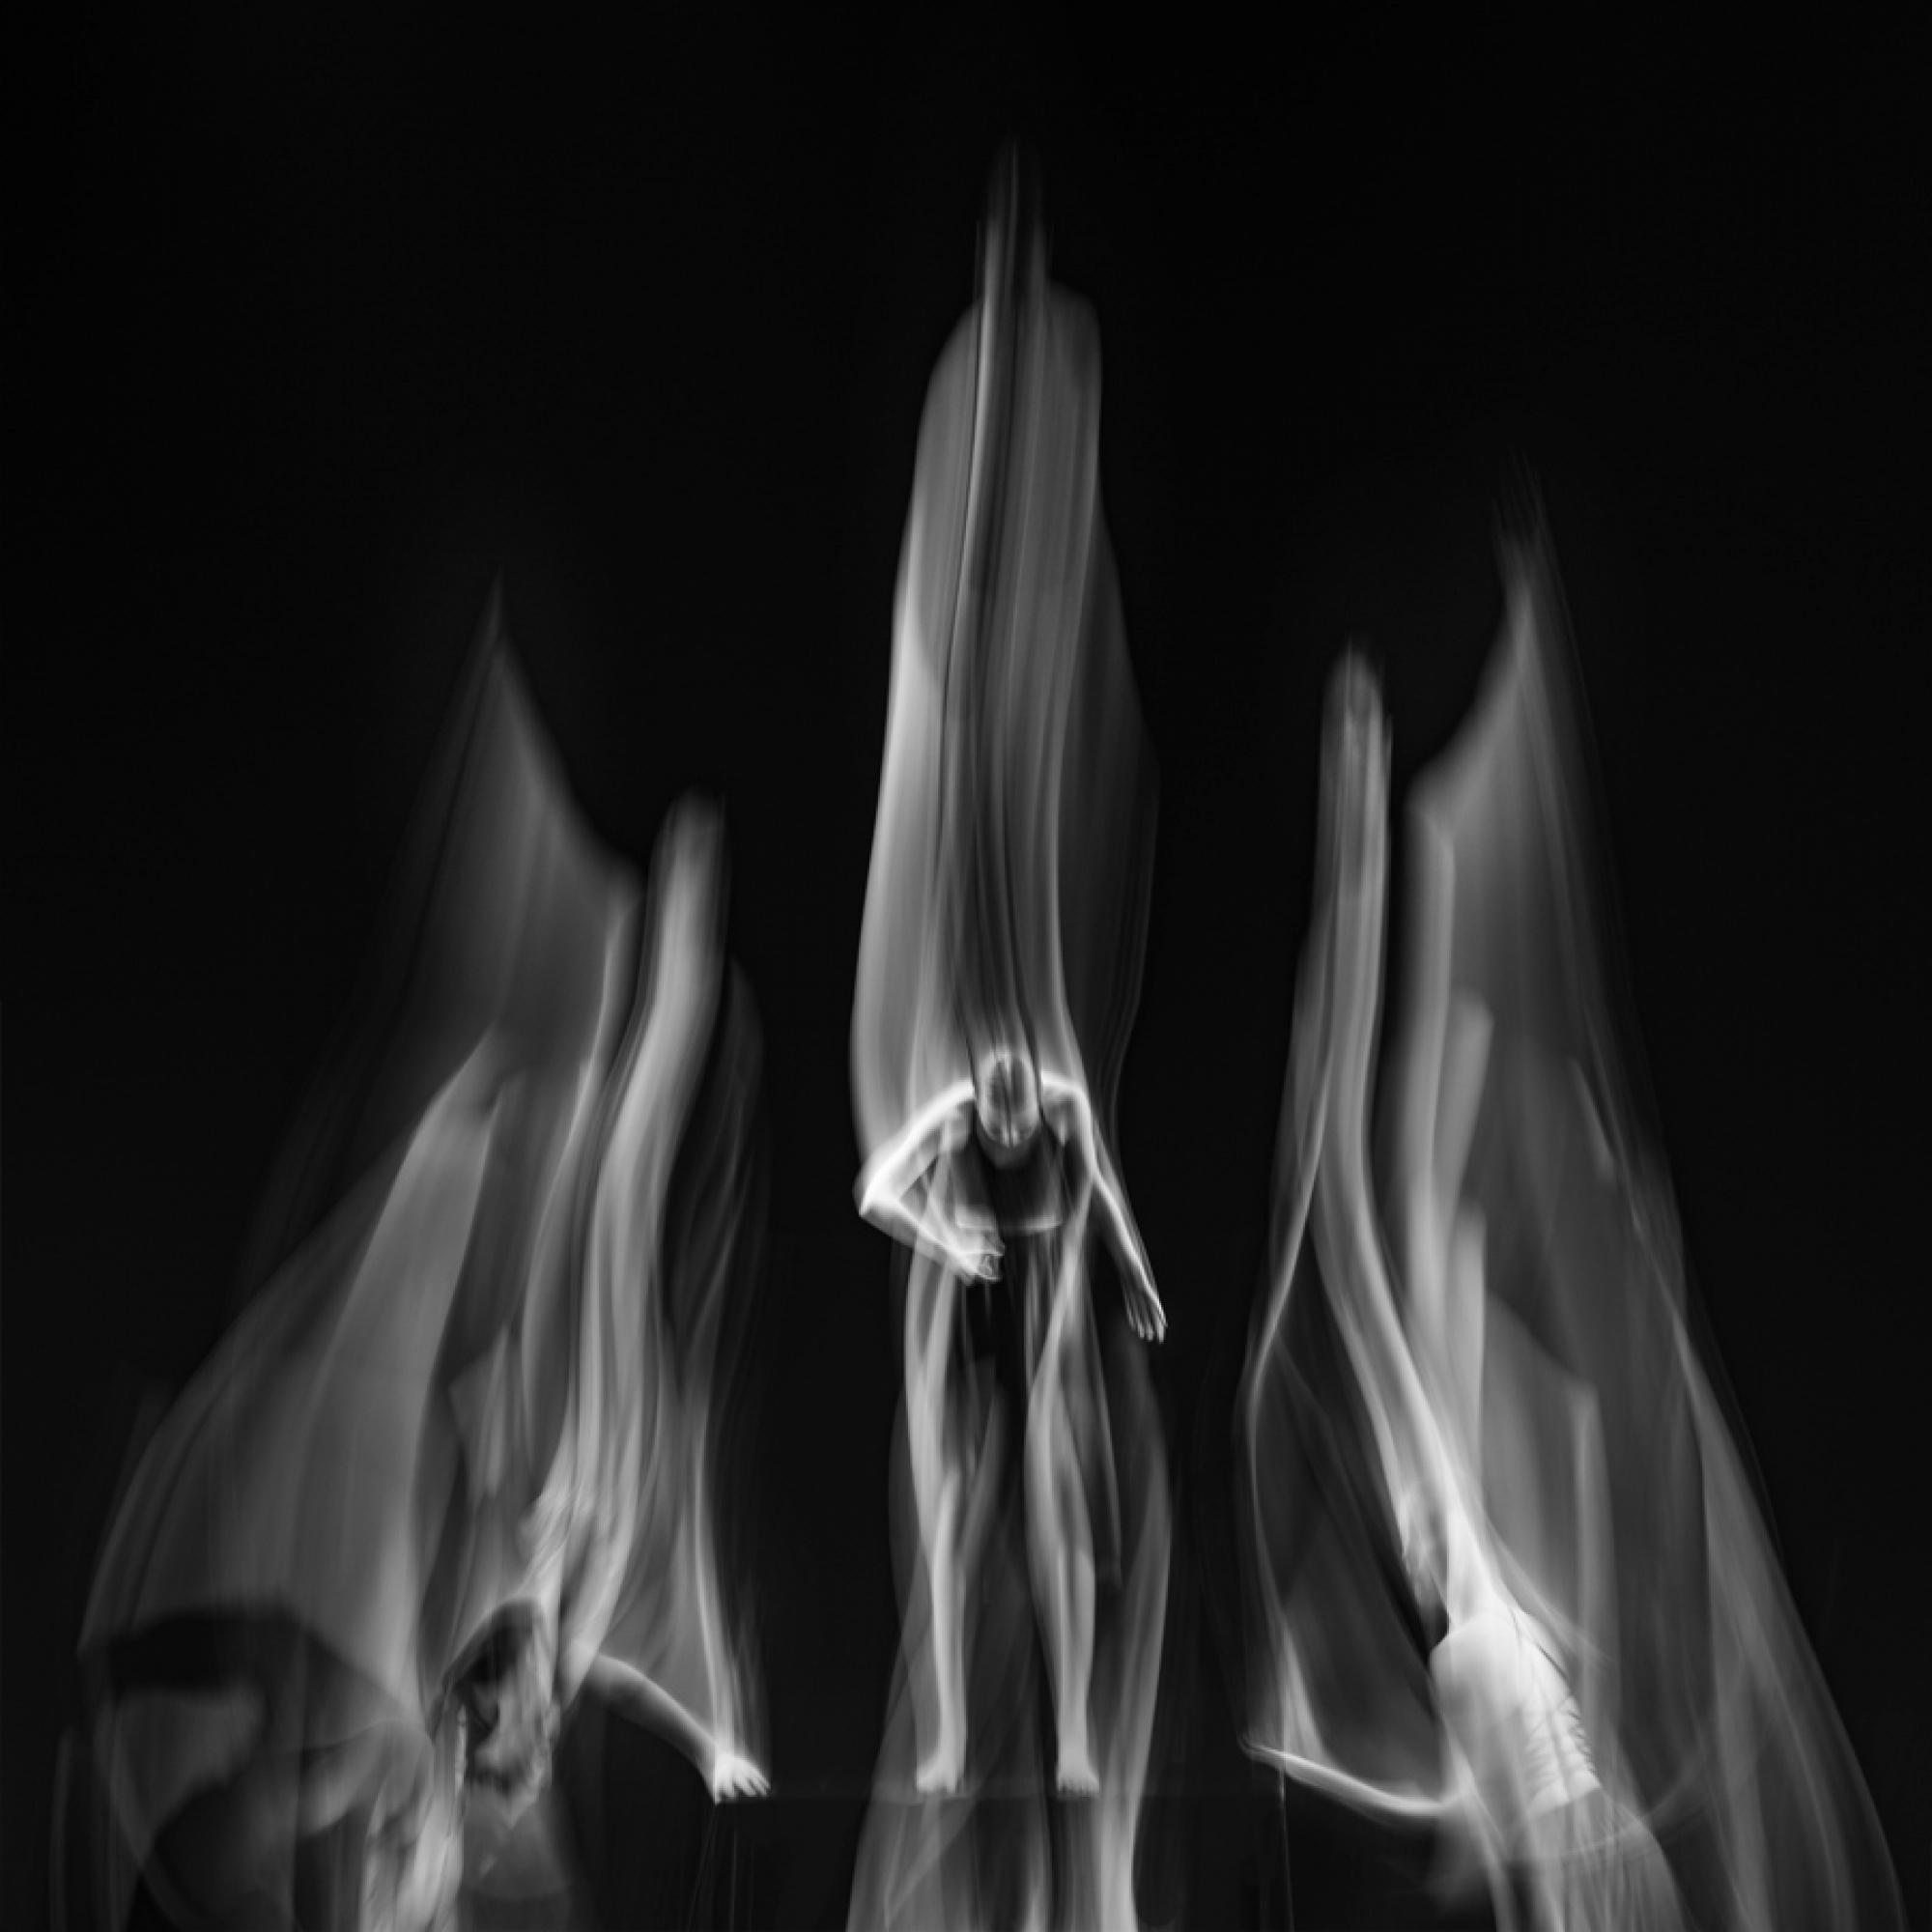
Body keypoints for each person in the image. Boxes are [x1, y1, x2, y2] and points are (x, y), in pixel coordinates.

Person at [859, 1040, 1163, 1797]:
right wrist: (945, 1238)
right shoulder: (954, 1116)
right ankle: (950, 1738)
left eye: (1018, 1127)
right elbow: (875, 1192)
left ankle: (1074, 1738)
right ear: (979, 1104)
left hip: (1042, 1309)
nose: (1008, 1139)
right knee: (951, 1526)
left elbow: (1098, 1188)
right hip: (975, 1310)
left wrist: (1132, 1265)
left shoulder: (1064, 1108)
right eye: (996, 1129)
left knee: (1062, 1518)